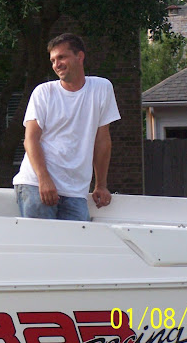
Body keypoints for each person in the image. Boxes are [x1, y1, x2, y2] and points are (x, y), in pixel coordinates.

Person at [12, 33, 120, 221]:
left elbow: (102, 141)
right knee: (42, 247)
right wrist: (43, 179)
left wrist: (101, 185)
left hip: (75, 191)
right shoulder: (43, 93)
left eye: (61, 57)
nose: (56, 64)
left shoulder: (102, 89)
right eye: (53, 60)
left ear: (80, 56)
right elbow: (30, 139)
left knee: (76, 248)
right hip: (36, 185)